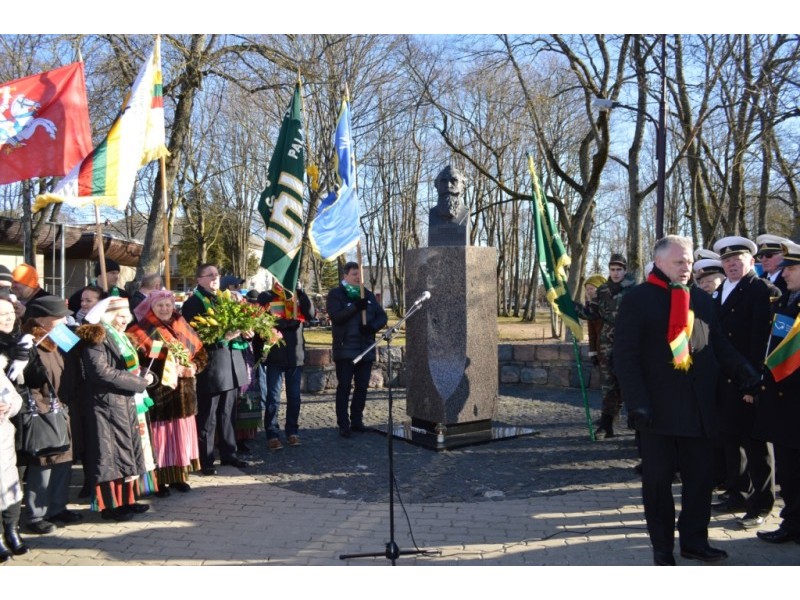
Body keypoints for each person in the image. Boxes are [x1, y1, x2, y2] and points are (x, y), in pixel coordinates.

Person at [614, 235, 759, 566]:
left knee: (700, 481)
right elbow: (625, 357)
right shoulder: (638, 300)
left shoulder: (702, 300)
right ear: (660, 262)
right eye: (680, 262)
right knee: (658, 484)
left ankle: (695, 541)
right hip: (657, 412)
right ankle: (662, 548)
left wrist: (744, 371)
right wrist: (637, 402)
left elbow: (716, 345)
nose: (687, 267)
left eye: (690, 262)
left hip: (698, 409)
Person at [710, 236, 776, 529]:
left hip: (747, 378)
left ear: (751, 261)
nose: (732, 264)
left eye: (738, 260)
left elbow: (761, 339)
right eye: (726, 261)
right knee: (730, 439)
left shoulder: (759, 289)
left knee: (756, 445)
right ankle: (737, 493)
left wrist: (754, 383)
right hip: (723, 379)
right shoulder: (719, 290)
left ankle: (762, 504)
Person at [75, 297, 155, 521]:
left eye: (127, 316)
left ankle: (127, 501)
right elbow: (100, 372)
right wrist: (137, 382)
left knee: (126, 454)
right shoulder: (98, 338)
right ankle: (110, 506)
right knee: (109, 457)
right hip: (105, 405)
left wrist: (146, 377)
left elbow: (130, 367)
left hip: (123, 402)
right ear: (108, 316)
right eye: (121, 316)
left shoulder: (120, 337)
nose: (125, 321)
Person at [128, 290, 207, 494]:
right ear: (151, 307)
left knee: (179, 437)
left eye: (168, 305)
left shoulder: (183, 325)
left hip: (184, 392)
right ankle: (159, 480)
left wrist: (193, 368)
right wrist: (166, 370)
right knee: (161, 439)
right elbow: (138, 363)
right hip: (159, 394)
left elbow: (201, 354)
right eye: (159, 305)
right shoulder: (140, 330)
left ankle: (179, 477)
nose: (165, 309)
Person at [19, 296, 82, 534]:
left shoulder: (59, 336)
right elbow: (29, 381)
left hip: (63, 407)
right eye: (59, 317)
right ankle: (36, 515)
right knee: (43, 463)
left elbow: (79, 349)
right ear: (42, 320)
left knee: (64, 459)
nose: (64, 320)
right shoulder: (30, 342)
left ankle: (58, 507)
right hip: (43, 409)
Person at [181, 264, 250, 475]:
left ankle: (230, 453)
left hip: (230, 362)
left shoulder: (225, 298)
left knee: (229, 412)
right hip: (212, 365)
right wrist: (222, 338)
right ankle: (206, 458)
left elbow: (237, 323)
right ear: (198, 279)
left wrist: (245, 330)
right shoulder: (193, 303)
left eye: (216, 275)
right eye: (209, 275)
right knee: (208, 415)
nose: (214, 278)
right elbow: (194, 336)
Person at [752, 240, 800, 544]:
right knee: (790, 469)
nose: (785, 275)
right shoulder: (787, 302)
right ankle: (792, 522)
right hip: (783, 401)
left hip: (795, 399)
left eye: (792, 269)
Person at [327, 262, 387, 438]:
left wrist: (372, 328)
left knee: (362, 387)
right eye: (354, 274)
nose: (358, 278)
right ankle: (343, 424)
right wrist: (354, 307)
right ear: (345, 275)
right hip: (345, 349)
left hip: (365, 347)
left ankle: (357, 421)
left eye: (359, 274)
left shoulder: (366, 294)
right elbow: (336, 317)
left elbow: (382, 316)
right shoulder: (336, 294)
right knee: (344, 387)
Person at [259, 282, 315, 449]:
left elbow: (310, 314)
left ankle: (292, 431)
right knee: (273, 398)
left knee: (294, 397)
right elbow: (261, 321)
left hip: (295, 355)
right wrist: (284, 325)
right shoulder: (267, 296)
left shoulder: (298, 296)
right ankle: (272, 433)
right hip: (276, 354)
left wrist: (301, 292)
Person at [0, 289, 29, 561]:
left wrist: (9, 406)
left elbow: (13, 394)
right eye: (0, 315)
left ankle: (12, 529)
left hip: (10, 426)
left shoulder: (20, 340)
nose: (6, 319)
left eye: (9, 314)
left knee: (12, 479)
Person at [593, 253, 636, 439]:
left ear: (625, 270)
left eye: (619, 269)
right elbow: (591, 312)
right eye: (612, 269)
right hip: (606, 345)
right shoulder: (602, 290)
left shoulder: (634, 289)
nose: (616, 273)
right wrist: (569, 306)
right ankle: (606, 425)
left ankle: (637, 425)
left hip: (628, 343)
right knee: (608, 385)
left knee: (630, 385)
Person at [576, 273, 606, 367]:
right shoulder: (590, 307)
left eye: (592, 288)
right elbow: (592, 333)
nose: (589, 291)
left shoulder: (606, 305)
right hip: (600, 351)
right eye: (587, 289)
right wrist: (593, 352)